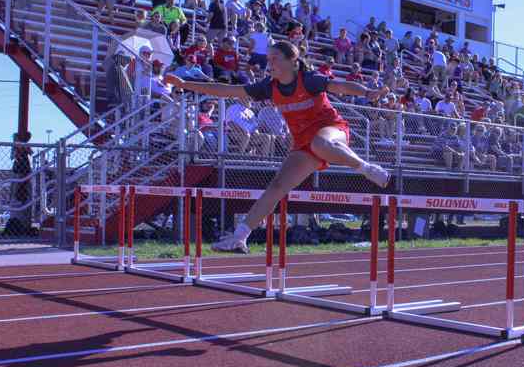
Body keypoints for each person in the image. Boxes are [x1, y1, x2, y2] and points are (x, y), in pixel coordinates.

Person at [164, 41, 390, 253]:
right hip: (303, 141)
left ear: (293, 61)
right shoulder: (268, 88)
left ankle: (366, 168)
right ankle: (239, 237)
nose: (268, 63)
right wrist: (186, 84)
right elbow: (227, 90)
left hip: (332, 129)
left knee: (321, 143)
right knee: (277, 186)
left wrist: (368, 93)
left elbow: (341, 86)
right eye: (268, 59)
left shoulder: (309, 79)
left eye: (274, 59)